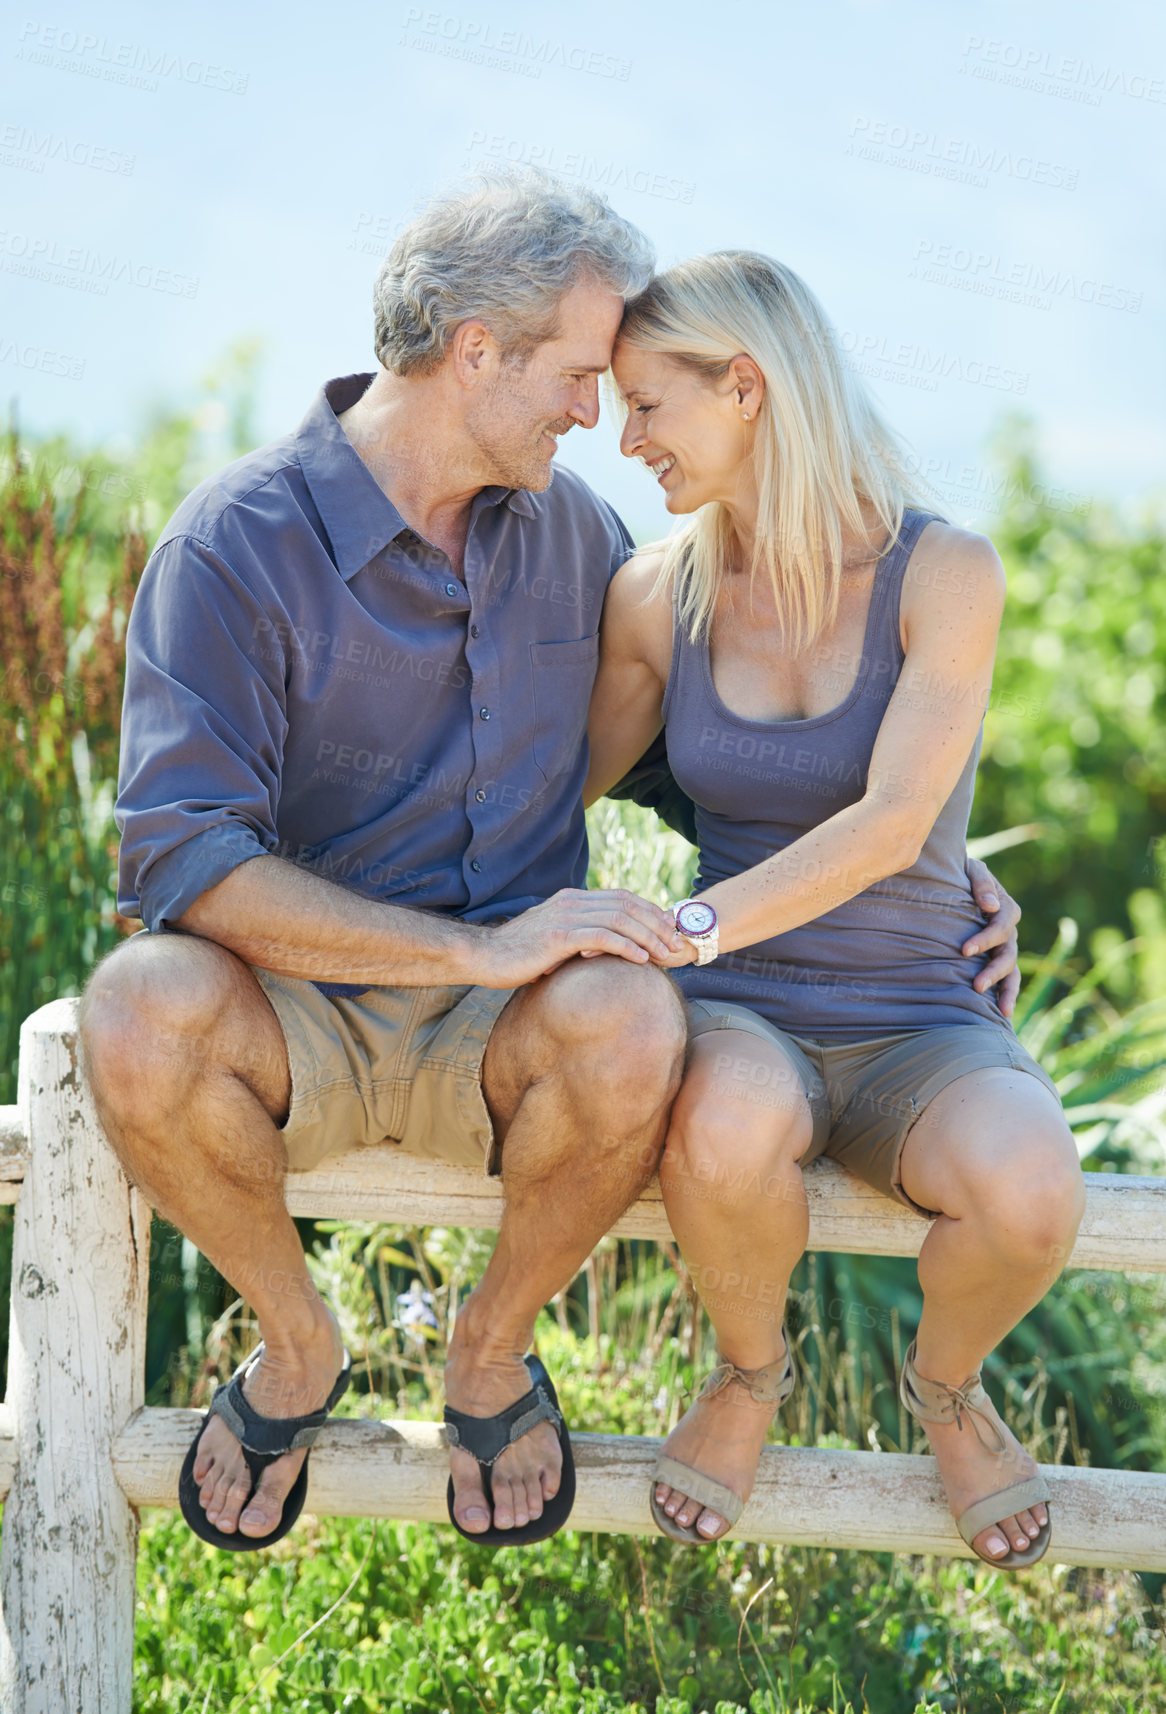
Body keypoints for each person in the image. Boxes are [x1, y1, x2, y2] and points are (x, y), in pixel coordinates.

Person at [77, 171, 1021, 1553]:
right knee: (132, 1001)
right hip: (291, 1010)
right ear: (476, 351)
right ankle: (294, 1346)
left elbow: (712, 759)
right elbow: (183, 854)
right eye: (582, 375)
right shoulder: (235, 544)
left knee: (634, 1015)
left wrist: (928, 863)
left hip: (509, 1037)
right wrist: (467, 946)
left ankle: (489, 1352)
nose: (599, 414)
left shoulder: (578, 543)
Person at [585, 250, 1084, 1566]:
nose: (619, 434)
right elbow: (546, 800)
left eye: (647, 403)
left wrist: (685, 925)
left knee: (1032, 1190)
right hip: (742, 1008)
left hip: (922, 1001)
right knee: (729, 1122)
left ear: (743, 384)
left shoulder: (943, 571)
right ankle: (750, 1375)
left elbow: (888, 825)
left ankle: (946, 1385)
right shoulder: (654, 595)